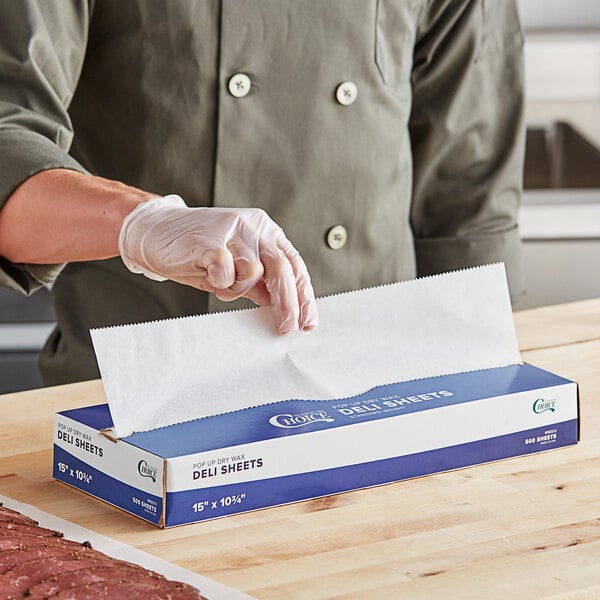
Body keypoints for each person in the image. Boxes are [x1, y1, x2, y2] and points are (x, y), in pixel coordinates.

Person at [0, 0, 525, 387]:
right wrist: (142, 223)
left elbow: (471, 201)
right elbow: (9, 142)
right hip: (136, 395)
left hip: (375, 385)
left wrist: (488, 392)